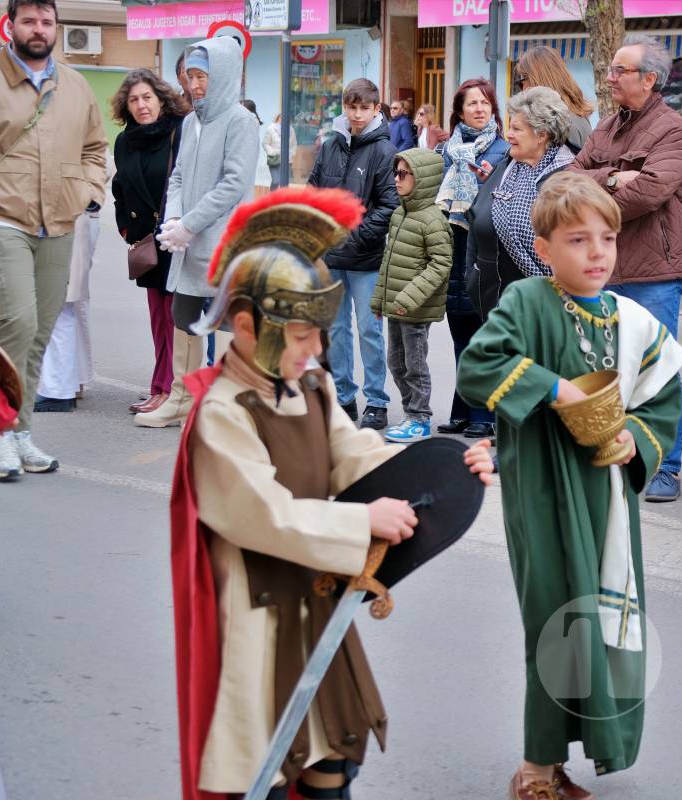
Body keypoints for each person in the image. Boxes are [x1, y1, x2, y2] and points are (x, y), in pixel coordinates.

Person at [170, 185, 494, 799]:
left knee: (334, 752)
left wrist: (441, 469)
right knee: (270, 758)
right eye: (301, 335)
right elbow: (263, 517)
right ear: (245, 325)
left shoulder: (309, 386)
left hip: (312, 598)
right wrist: (360, 523)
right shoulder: (221, 412)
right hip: (260, 608)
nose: (317, 349)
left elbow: (354, 456)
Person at [456, 172, 682, 800]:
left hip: (607, 498)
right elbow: (478, 366)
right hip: (543, 492)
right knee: (554, 621)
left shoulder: (630, 319)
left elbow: (664, 397)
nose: (598, 253)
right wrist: (555, 389)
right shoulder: (528, 302)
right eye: (578, 240)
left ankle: (564, 762)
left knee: (596, 622)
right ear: (545, 247)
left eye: (607, 238)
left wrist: (636, 436)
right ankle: (534, 770)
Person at [571, 34, 682, 502]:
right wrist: (613, 175)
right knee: (607, 367)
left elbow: (647, 194)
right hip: (608, 266)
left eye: (619, 70)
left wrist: (597, 187)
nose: (609, 77)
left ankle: (667, 464)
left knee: (657, 369)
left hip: (654, 271)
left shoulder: (671, 130)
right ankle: (616, 451)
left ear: (649, 79)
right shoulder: (608, 125)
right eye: (611, 70)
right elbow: (567, 176)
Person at [0, 0, 107, 477]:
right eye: (29, 21)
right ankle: (1, 435)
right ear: (11, 25)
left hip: (59, 222)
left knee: (40, 334)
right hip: (6, 219)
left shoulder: (77, 85)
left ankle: (21, 435)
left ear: (56, 28)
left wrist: (85, 193)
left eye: (47, 21)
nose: (39, 29)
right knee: (15, 327)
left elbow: (94, 148)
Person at [142, 35, 259, 428]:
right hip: (188, 242)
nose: (194, 85)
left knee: (225, 320)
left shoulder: (241, 121)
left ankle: (227, 408)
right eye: (190, 76)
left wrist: (189, 224)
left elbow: (233, 183)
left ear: (223, 74)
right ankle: (181, 398)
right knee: (183, 314)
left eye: (201, 76)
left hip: (223, 241)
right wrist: (174, 221)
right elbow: (176, 177)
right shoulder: (191, 121)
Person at [307, 78, 401, 431]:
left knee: (369, 330)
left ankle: (376, 400)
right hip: (331, 256)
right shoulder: (330, 145)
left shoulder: (384, 151)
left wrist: (355, 235)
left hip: (365, 257)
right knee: (335, 330)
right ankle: (344, 397)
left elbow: (389, 206)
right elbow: (313, 192)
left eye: (365, 108)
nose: (357, 114)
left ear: (377, 109)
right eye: (352, 107)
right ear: (344, 107)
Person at [111, 68, 188, 415]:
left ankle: (172, 392)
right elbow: (119, 189)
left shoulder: (179, 132)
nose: (141, 106)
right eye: (134, 100)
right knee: (158, 320)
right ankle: (160, 387)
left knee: (176, 319)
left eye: (147, 98)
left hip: (176, 237)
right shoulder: (125, 141)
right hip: (145, 240)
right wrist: (126, 229)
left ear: (160, 99)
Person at [436, 78, 510, 440]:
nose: (479, 109)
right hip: (452, 250)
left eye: (485, 103)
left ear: (493, 108)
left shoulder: (504, 150)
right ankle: (463, 409)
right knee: (460, 337)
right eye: (472, 104)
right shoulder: (446, 151)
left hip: (484, 254)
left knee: (483, 339)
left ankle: (485, 415)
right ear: (460, 112)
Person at [466, 87, 576, 319]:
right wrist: (473, 275)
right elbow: (476, 219)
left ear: (541, 135)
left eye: (517, 129)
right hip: (494, 304)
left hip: (546, 310)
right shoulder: (506, 168)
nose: (509, 135)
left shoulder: (566, 178)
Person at [371, 148, 452, 443]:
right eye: (396, 173)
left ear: (423, 179)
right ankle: (410, 412)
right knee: (396, 361)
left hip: (415, 309)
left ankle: (419, 417)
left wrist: (409, 298)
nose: (396, 179)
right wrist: (380, 300)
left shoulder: (432, 220)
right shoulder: (399, 214)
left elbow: (441, 263)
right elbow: (389, 261)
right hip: (396, 305)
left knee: (414, 365)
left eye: (404, 174)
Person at [33, 192, 103, 412]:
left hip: (64, 215)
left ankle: (58, 389)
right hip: (68, 214)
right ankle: (71, 381)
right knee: (68, 302)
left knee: (58, 304)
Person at [514, 46, 593, 153]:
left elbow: (560, 169)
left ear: (537, 80)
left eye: (522, 81)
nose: (523, 91)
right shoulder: (573, 117)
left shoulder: (562, 125)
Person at [263, 113, 298, 190]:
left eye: (286, 118)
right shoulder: (271, 128)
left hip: (287, 160)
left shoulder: (291, 129)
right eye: (281, 118)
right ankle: (272, 198)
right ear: (278, 118)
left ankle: (281, 200)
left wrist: (292, 153)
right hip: (274, 159)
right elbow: (265, 143)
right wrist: (271, 152)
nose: (283, 120)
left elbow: (294, 144)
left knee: (285, 183)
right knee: (276, 181)